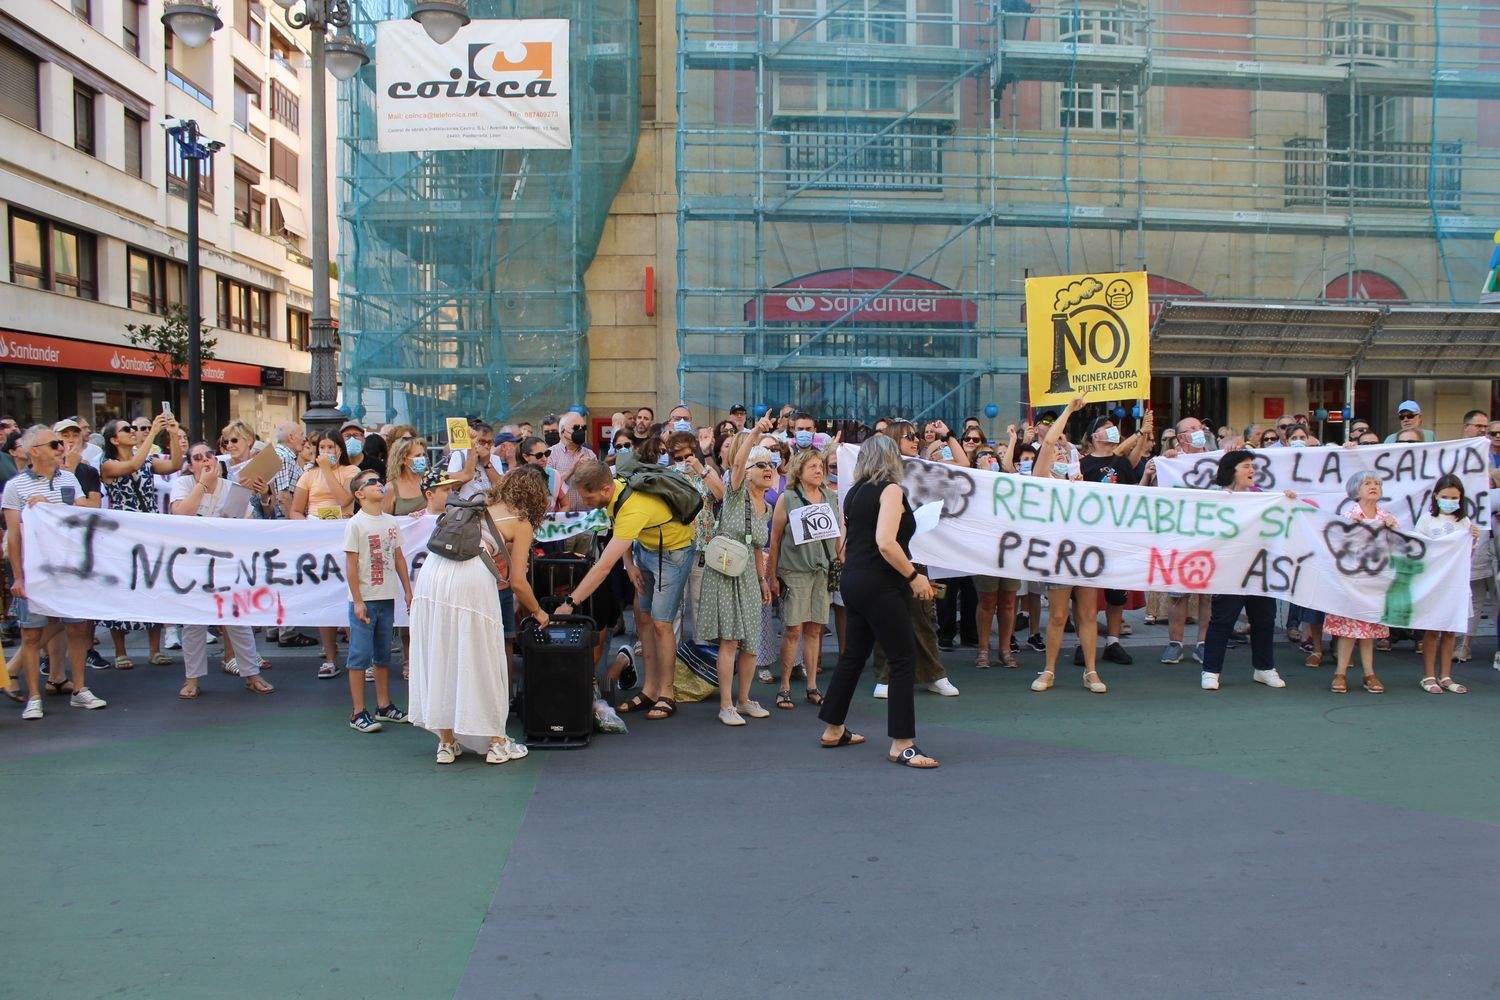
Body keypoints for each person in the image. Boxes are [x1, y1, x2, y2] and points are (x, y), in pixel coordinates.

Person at [408, 467, 549, 765]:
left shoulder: (477, 502)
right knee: (482, 656)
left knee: (442, 652)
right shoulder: (521, 521)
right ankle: (496, 742)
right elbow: (518, 582)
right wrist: (538, 611)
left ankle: (446, 742)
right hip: (470, 577)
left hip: (432, 574)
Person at [817, 434, 937, 768]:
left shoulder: (854, 493)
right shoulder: (891, 490)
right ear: (891, 459)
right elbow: (885, 542)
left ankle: (833, 727)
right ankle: (902, 744)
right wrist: (914, 576)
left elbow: (848, 541)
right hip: (880, 581)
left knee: (853, 655)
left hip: (854, 578)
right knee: (902, 659)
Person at [559, 459, 699, 721]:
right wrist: (630, 564)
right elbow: (619, 531)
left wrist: (570, 602)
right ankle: (650, 689)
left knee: (661, 623)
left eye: (587, 496)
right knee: (642, 617)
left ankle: (667, 693)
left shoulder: (634, 507)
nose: (584, 501)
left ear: (604, 489)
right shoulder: (616, 492)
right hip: (646, 550)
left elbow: (602, 567)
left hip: (673, 554)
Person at [4, 425, 105, 719]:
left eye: (60, 443)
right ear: (34, 451)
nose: (61, 448)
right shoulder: (16, 487)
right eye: (54, 444)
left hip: (69, 566)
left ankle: (80, 690)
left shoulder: (69, 478)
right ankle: (34, 696)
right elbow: (14, 536)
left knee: (77, 628)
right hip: (35, 570)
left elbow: (80, 517)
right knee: (32, 635)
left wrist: (58, 506)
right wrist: (18, 577)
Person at [169, 442, 273, 699]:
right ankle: (191, 679)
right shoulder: (183, 485)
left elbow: (250, 522)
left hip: (228, 563)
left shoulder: (233, 488)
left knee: (238, 619)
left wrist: (264, 495)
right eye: (197, 457)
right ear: (190, 464)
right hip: (194, 564)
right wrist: (202, 485)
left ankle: (252, 674)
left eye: (209, 455)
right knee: (194, 623)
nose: (205, 460)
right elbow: (181, 514)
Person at [869, 421, 959, 698]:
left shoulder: (925, 469)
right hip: (889, 556)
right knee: (888, 617)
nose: (916, 440)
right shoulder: (882, 478)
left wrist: (947, 436)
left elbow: (963, 468)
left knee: (922, 615)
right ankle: (885, 676)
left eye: (917, 436)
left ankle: (934, 673)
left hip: (919, 553)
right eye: (909, 437)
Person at [1025, 397, 1106, 694]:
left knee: (1087, 614)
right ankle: (1048, 670)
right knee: (1058, 615)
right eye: (1055, 450)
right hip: (1058, 554)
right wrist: (1069, 411)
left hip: (1084, 551)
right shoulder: (1042, 479)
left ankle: (1091, 671)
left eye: (1063, 450)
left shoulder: (1079, 478)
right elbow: (1046, 445)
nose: (1058, 452)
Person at [696, 430, 775, 726]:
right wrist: (755, 433)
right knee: (730, 641)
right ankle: (726, 704)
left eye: (771, 465)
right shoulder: (735, 492)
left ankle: (744, 699)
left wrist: (763, 580)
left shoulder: (765, 507)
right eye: (762, 466)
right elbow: (738, 464)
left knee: (751, 641)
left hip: (748, 577)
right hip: (726, 573)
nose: (768, 470)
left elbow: (757, 547)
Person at [1199, 450, 1290, 692]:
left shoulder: (1261, 497)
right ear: (1232, 470)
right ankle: (1211, 670)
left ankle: (1264, 668)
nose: (1252, 471)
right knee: (1222, 620)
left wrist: (1289, 500)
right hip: (1228, 570)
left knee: (1264, 618)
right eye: (1246, 466)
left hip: (1259, 569)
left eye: (1253, 466)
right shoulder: (1215, 498)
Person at [99, 415, 182, 669]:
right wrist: (154, 432)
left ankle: (155, 649)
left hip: (148, 530)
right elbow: (132, 465)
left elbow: (176, 464)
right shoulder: (108, 465)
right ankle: (120, 651)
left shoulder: (146, 459)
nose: (134, 432)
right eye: (127, 429)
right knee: (122, 590)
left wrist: (174, 435)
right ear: (114, 439)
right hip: (122, 533)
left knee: (152, 585)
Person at [1077, 408, 1152, 667]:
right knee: (1085, 591)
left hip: (1116, 534)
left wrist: (1144, 432)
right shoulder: (1082, 464)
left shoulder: (1120, 464)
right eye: (1106, 427)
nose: (1113, 431)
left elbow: (1132, 474)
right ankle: (1082, 641)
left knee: (1116, 591)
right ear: (1093, 435)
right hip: (1089, 535)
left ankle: (1113, 641)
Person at [767, 448, 838, 709]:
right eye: (813, 467)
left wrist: (839, 560)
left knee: (815, 628)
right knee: (793, 628)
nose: (819, 471)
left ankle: (812, 686)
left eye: (820, 466)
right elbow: (774, 540)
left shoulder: (830, 497)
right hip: (794, 571)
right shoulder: (787, 498)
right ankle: (784, 687)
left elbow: (839, 534)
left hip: (822, 571)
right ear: (799, 471)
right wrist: (771, 576)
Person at [343, 470, 413, 732]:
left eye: (379, 481)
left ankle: (383, 705)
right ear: (360, 494)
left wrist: (407, 590)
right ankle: (357, 711)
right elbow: (351, 564)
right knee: (359, 655)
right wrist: (358, 600)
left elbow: (398, 557)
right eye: (371, 483)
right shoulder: (356, 524)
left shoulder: (391, 522)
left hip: (386, 597)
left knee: (383, 654)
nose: (379, 485)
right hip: (366, 599)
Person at [291, 432, 361, 679]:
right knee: (325, 598)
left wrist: (328, 471)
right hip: (319, 542)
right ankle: (330, 657)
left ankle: (358, 657)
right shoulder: (308, 475)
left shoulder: (351, 472)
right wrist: (312, 526)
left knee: (352, 596)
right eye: (322, 447)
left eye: (331, 446)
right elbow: (296, 510)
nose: (326, 451)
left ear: (340, 450)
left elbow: (344, 500)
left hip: (345, 537)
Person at [1323, 471, 1397, 694]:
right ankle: (1340, 672)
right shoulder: (1348, 516)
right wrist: (1350, 529)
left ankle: (1369, 673)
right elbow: (1337, 546)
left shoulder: (1388, 518)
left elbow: (1398, 548)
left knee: (1369, 631)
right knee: (1348, 630)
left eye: (1377, 483)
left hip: (1375, 583)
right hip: (1352, 582)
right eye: (1368, 483)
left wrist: (1393, 528)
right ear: (1356, 489)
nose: (1373, 487)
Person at [1412, 474, 1480, 693]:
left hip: (1456, 584)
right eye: (1445, 496)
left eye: (1454, 497)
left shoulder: (1464, 522)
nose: (1450, 501)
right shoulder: (1427, 520)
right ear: (1436, 496)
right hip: (1434, 582)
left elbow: (1467, 554)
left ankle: (1447, 675)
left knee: (1450, 630)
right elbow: (1418, 548)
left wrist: (1473, 538)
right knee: (1432, 630)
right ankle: (1429, 675)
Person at [1154, 416, 1212, 665]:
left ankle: (1203, 643)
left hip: (1211, 537)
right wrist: (1161, 465)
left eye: (1200, 428)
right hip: (1180, 537)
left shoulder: (1215, 458)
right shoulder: (1170, 461)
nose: (1198, 432)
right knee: (1178, 595)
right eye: (1192, 429)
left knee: (1208, 595)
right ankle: (1175, 643)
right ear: (1180, 438)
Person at [547, 411, 597, 510]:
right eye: (576, 428)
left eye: (583, 428)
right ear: (562, 430)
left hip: (585, 516)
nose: (581, 431)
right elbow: (549, 485)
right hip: (561, 517)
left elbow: (597, 485)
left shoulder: (590, 454)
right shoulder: (550, 454)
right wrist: (572, 469)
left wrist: (590, 471)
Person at [382, 434, 432, 516]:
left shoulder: (429, 481)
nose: (422, 458)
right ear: (404, 460)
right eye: (417, 456)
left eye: (423, 455)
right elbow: (385, 522)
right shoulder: (391, 488)